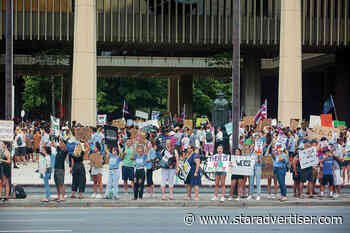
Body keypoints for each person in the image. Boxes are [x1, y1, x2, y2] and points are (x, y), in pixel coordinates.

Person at [53, 138, 67, 202]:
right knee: (57, 184)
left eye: (62, 143)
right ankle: (58, 196)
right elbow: (53, 144)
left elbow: (65, 147)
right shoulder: (59, 150)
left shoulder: (65, 151)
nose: (60, 144)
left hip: (61, 169)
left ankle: (63, 197)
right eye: (60, 143)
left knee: (61, 184)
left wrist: (63, 141)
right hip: (56, 168)